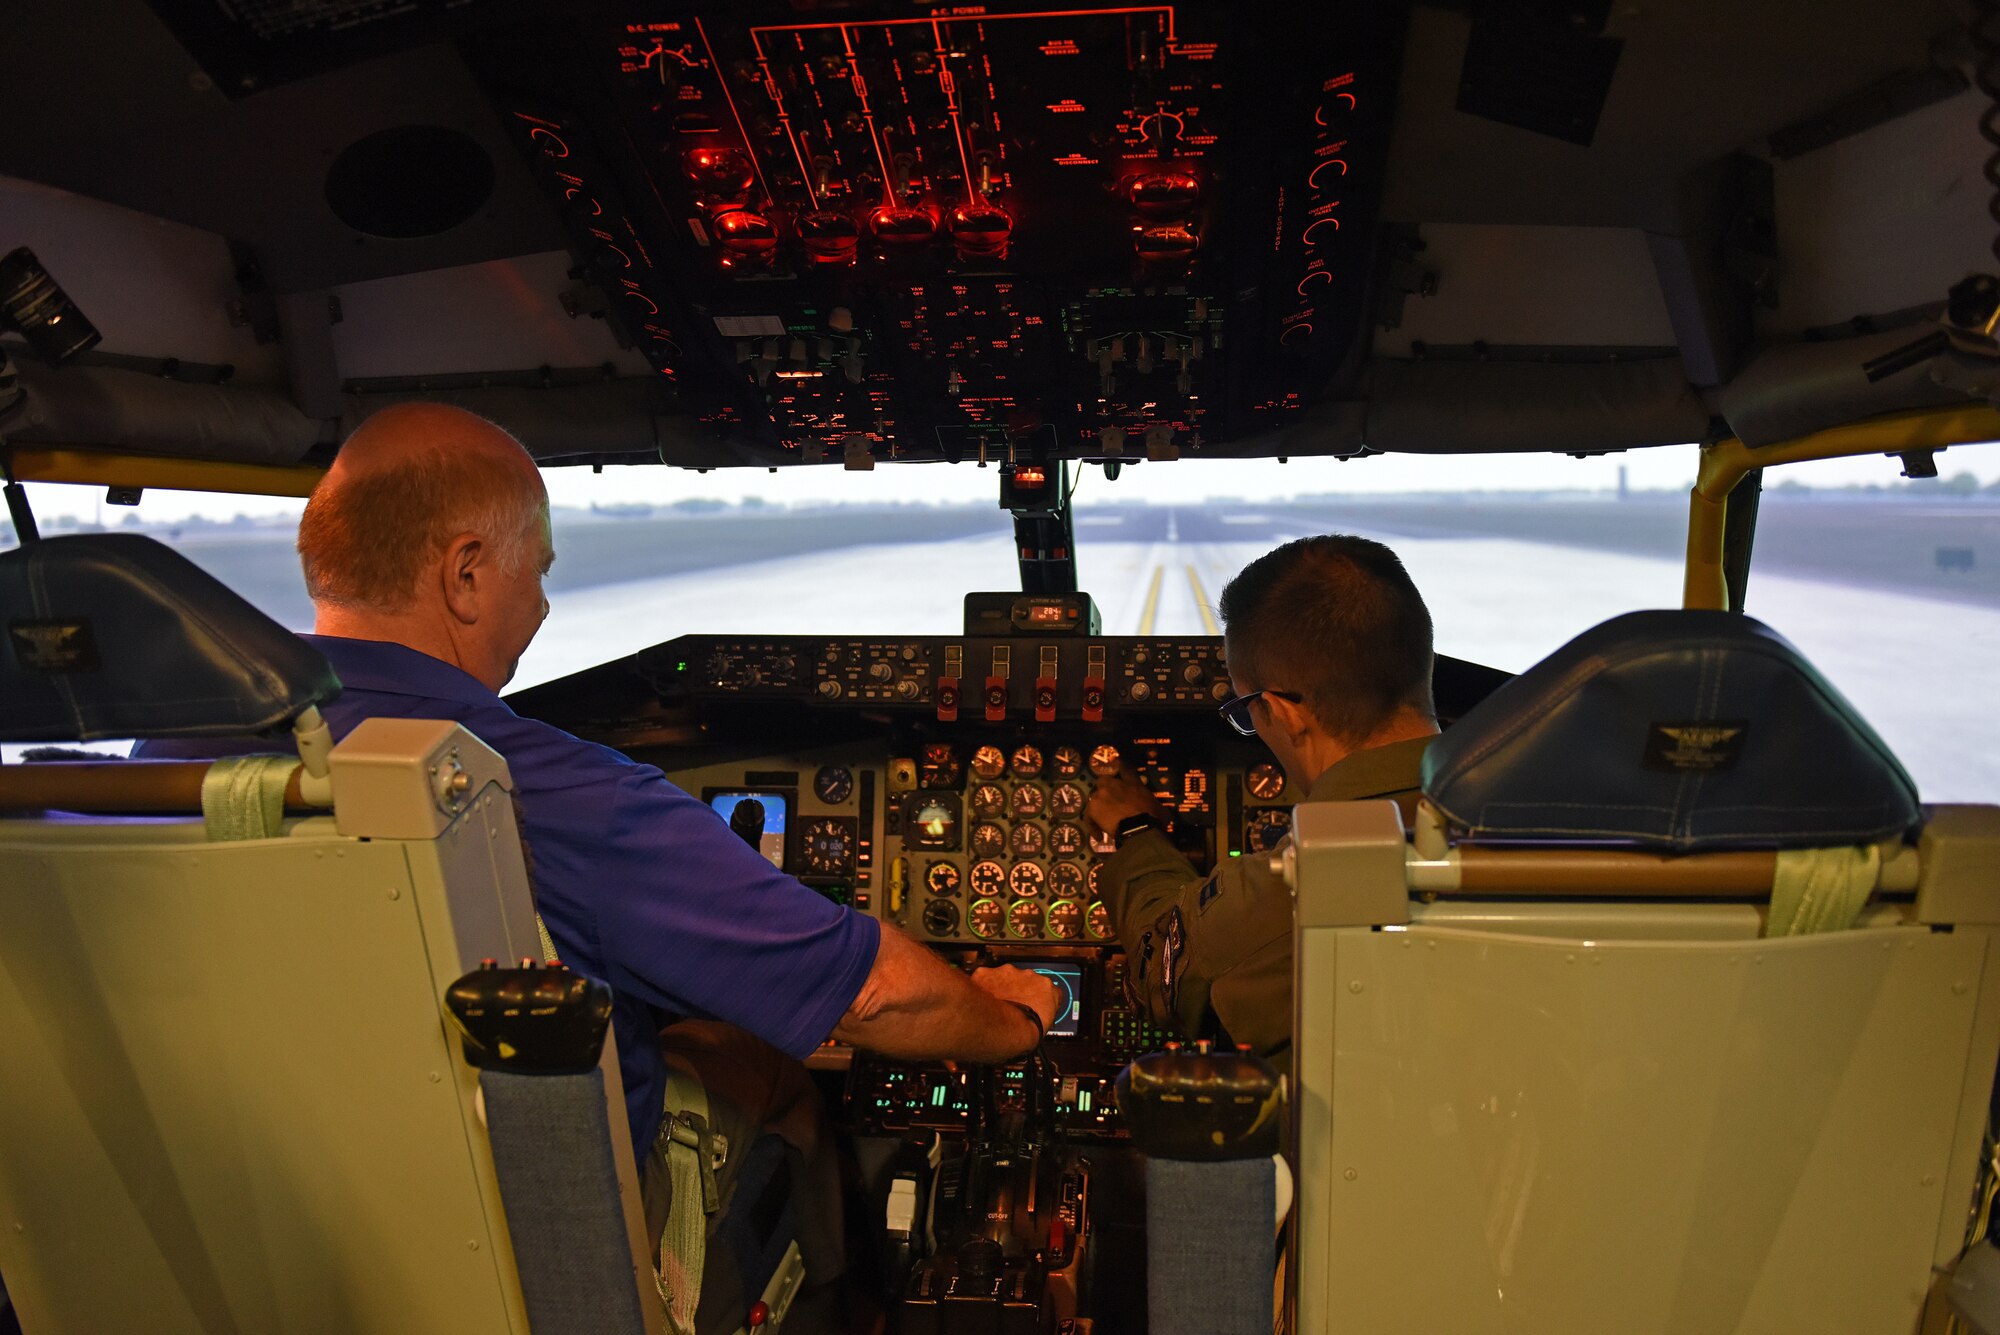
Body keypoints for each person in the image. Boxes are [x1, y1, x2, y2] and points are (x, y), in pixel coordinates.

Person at [141, 402, 1058, 1327]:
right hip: (539, 1254)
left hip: (267, 1236)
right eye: (533, 574)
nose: (540, 607)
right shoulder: (550, 789)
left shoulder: (162, 774)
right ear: (465, 574)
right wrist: (1017, 1018)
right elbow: (870, 997)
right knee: (760, 1056)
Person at [1084, 535, 1438, 1062]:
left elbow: (1158, 976)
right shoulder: (1540, 817)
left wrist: (1135, 832)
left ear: (1287, 714)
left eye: (1248, 711)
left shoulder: (1290, 890)